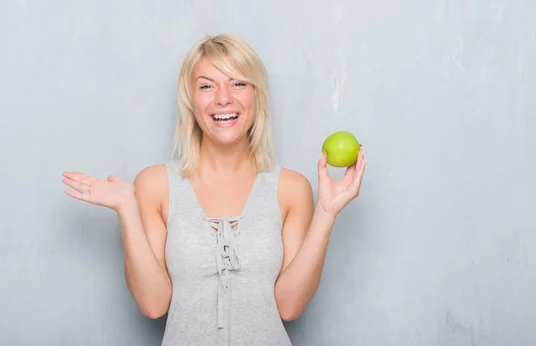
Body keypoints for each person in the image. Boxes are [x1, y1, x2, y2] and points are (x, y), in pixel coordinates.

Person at [61, 33, 366, 346]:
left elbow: (290, 306)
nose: (223, 98)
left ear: (256, 95)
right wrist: (127, 209)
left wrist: (326, 213)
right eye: (207, 85)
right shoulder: (154, 185)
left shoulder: (290, 188)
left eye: (238, 83)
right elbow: (153, 305)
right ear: (191, 101)